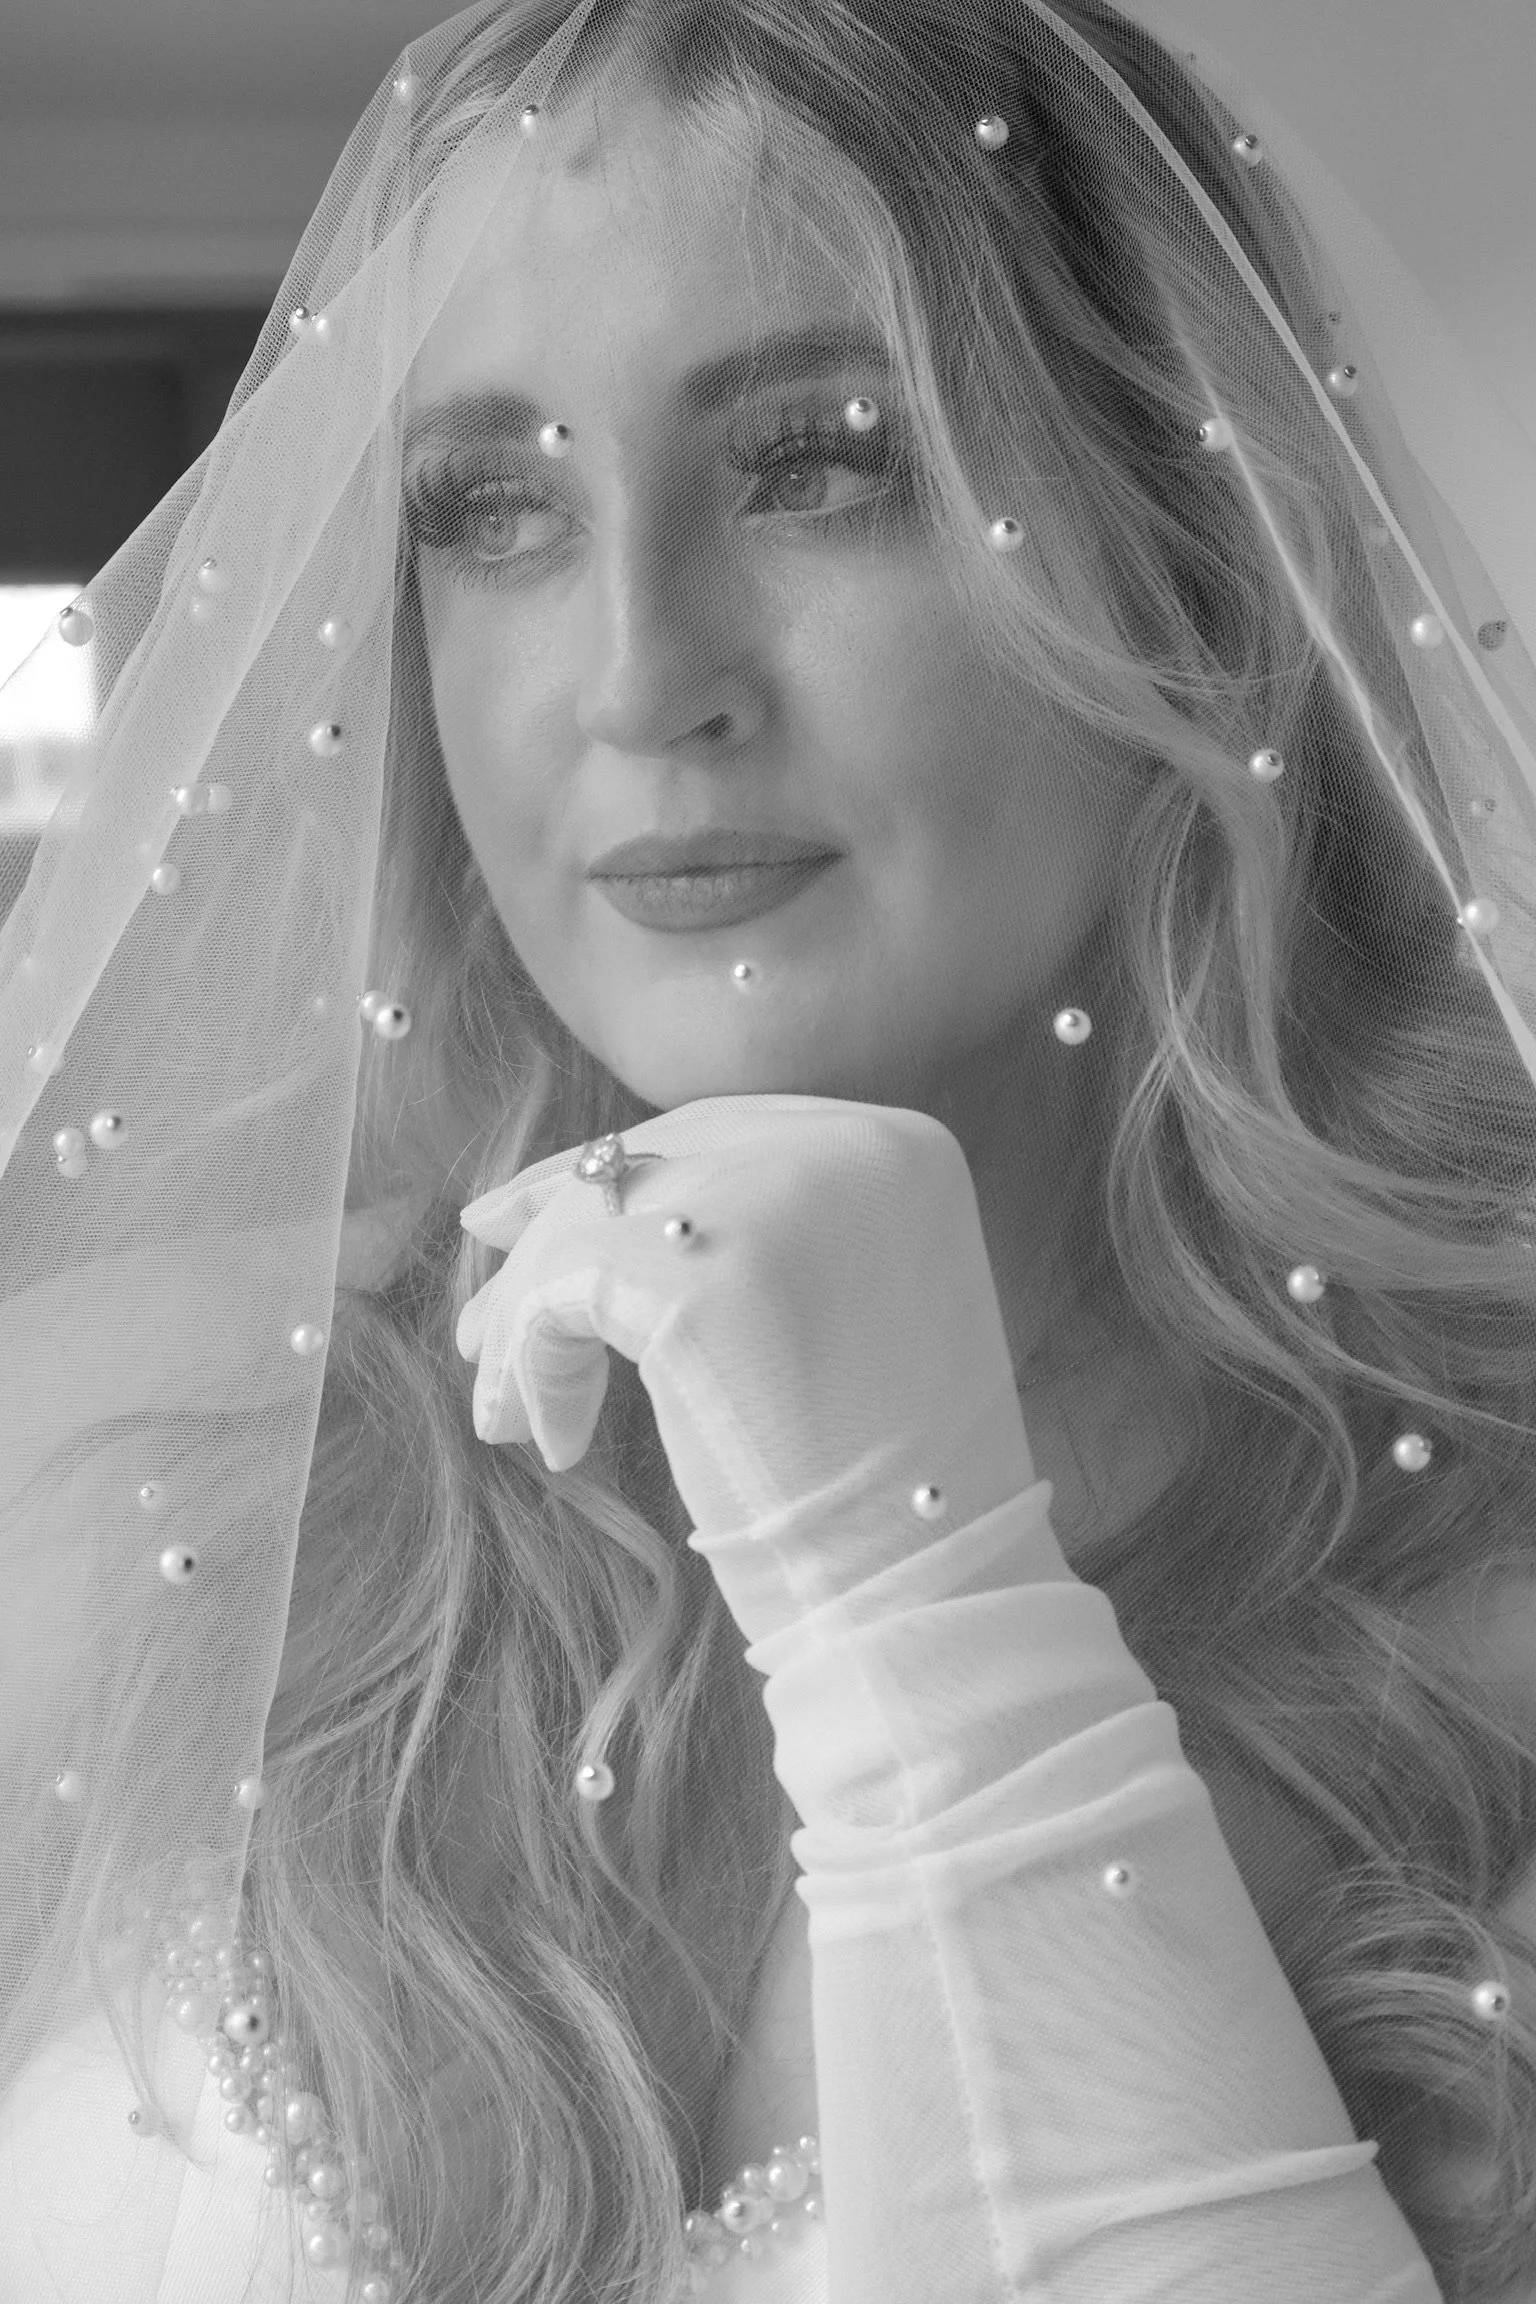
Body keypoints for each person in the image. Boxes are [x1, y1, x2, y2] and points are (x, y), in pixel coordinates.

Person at [0, 1, 1533, 2298]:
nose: (637, 674)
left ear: (1193, 541)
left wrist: (906, 1572)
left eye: (822, 460)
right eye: (492, 508)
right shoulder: (144, 1483)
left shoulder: (1488, 1565)